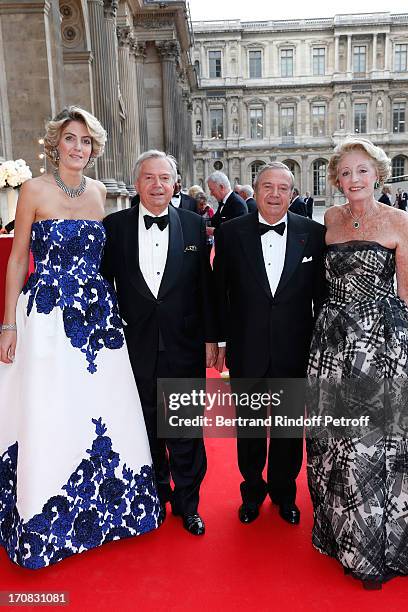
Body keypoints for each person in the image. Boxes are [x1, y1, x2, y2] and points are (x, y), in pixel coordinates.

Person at [0, 107, 160, 569]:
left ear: (94, 149)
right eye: (71, 139)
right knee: (51, 407)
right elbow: (16, 261)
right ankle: (44, 523)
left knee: (101, 408)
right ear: (55, 144)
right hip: (47, 316)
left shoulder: (100, 193)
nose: (78, 148)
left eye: (86, 142)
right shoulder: (33, 190)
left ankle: (111, 515)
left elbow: (109, 261)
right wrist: (8, 323)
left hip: (96, 319)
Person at [307, 136, 408, 589]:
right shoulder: (329, 219)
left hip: (378, 344)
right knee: (335, 444)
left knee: (371, 443)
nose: (353, 180)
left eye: (362, 171)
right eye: (345, 173)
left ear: (378, 174)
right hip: (331, 343)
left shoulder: (399, 221)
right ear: (336, 178)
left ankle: (374, 549)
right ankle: (342, 536)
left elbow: (405, 293)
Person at [101, 150, 218, 536]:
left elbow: (205, 287)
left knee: (184, 431)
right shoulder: (113, 226)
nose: (157, 185)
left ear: (175, 183)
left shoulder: (192, 224)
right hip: (134, 347)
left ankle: (189, 506)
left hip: (183, 346)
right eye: (149, 178)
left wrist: (209, 338)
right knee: (145, 428)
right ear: (137, 184)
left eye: (164, 178)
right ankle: (154, 498)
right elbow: (103, 287)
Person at [213, 161, 326, 527]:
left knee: (290, 430)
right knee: (248, 430)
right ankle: (252, 492)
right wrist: (219, 341)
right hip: (248, 349)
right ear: (255, 189)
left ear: (292, 194)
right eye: (267, 187)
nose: (275, 194)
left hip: (295, 349)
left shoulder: (313, 233)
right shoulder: (231, 234)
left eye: (282, 188)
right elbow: (220, 292)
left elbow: (321, 298)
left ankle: (284, 492)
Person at [207, 171, 248, 240]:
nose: (211, 194)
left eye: (212, 190)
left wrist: (213, 232)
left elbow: (237, 232)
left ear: (221, 187)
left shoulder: (238, 204)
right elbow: (215, 221)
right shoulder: (223, 201)